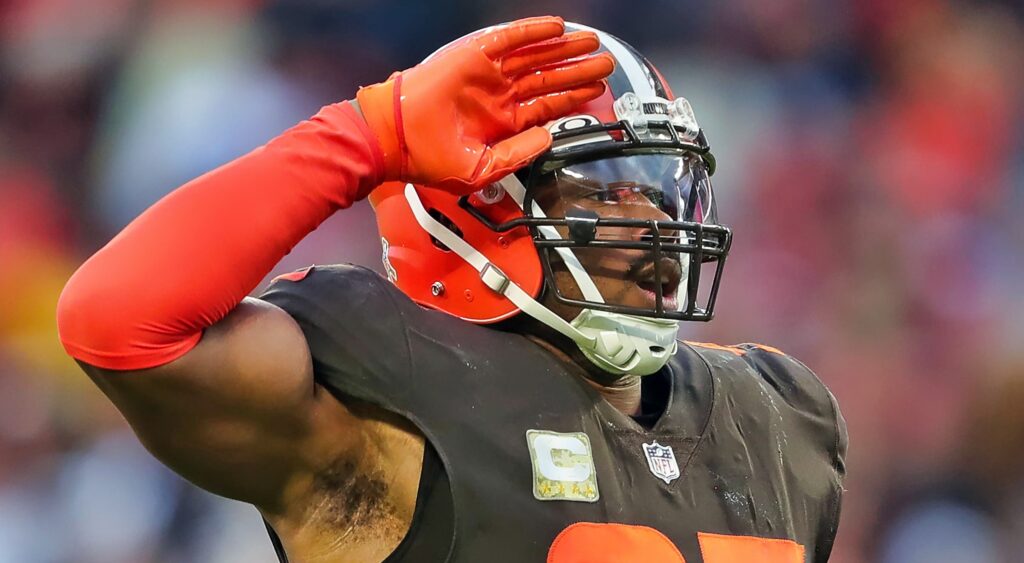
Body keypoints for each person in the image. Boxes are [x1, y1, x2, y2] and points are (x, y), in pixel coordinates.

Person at [57, 16, 847, 563]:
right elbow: (115, 319)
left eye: (661, 183)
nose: (654, 221)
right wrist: (369, 136)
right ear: (475, 208)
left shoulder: (777, 418)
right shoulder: (384, 392)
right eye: (605, 190)